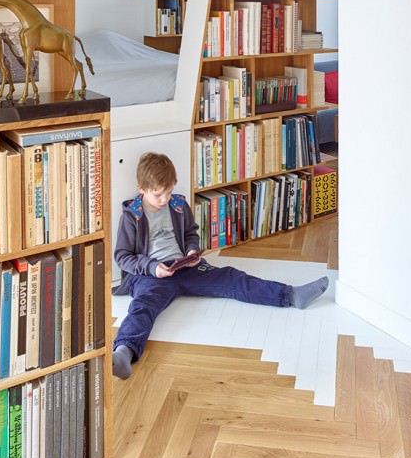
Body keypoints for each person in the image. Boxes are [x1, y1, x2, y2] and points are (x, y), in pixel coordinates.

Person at [111, 152, 329, 379]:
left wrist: (192, 251)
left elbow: (189, 233)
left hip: (184, 267)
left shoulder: (178, 205)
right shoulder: (131, 216)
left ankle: (292, 295)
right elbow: (123, 257)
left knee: (232, 278)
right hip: (151, 275)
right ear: (141, 189)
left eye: (169, 192)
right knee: (143, 306)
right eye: (158, 195)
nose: (165, 199)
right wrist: (151, 267)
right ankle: (124, 353)